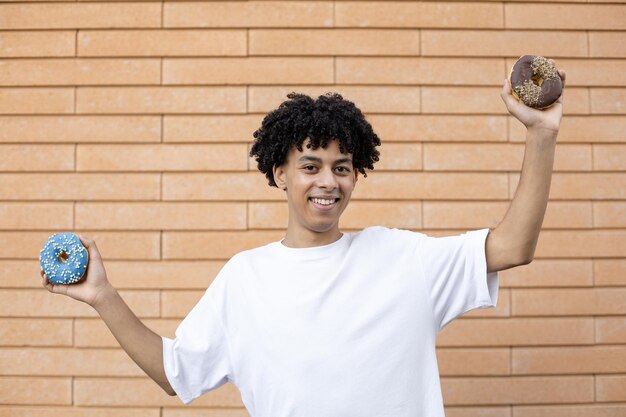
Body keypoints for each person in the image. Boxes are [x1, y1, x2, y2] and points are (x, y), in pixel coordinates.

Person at [41, 68, 566, 416]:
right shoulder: (245, 278)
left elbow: (514, 245)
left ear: (356, 175)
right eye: (310, 167)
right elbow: (174, 374)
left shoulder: (406, 258)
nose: (328, 182)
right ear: (280, 174)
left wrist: (541, 133)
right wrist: (103, 296)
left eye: (342, 168)